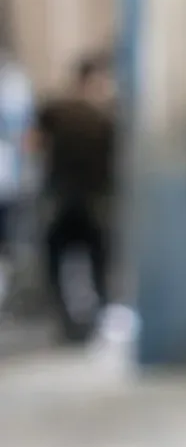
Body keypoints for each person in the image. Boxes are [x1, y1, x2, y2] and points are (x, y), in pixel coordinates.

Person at [31, 53, 115, 341]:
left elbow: (32, 144)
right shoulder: (104, 117)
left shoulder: (55, 109)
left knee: (58, 262)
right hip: (90, 201)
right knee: (97, 262)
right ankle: (96, 319)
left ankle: (68, 323)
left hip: (62, 198)